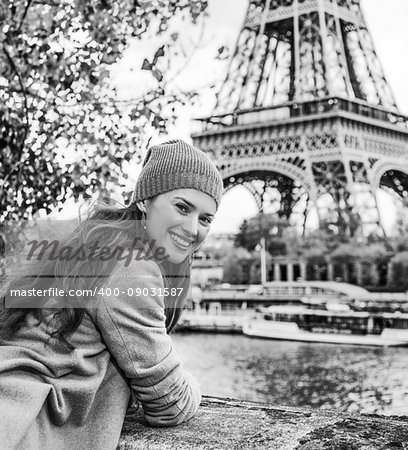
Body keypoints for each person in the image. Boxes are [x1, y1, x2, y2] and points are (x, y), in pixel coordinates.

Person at [0, 139, 223, 450]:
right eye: (182, 207)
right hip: (23, 425)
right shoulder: (134, 265)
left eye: (205, 218)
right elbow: (170, 402)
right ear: (145, 200)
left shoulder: (102, 244)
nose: (193, 228)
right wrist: (194, 384)